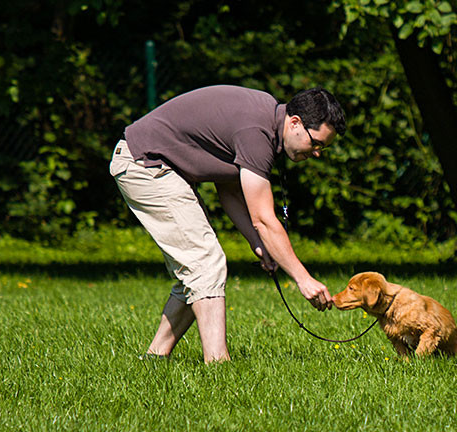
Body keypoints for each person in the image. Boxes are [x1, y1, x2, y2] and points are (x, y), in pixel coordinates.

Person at [109, 85, 346, 363]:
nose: (317, 153)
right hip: (144, 164)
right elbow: (264, 219)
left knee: (197, 270)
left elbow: (230, 189)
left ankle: (154, 358)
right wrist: (303, 280)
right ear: (295, 123)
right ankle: (218, 365)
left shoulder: (264, 122)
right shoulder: (256, 131)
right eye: (316, 143)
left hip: (156, 165)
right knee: (205, 264)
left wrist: (259, 246)